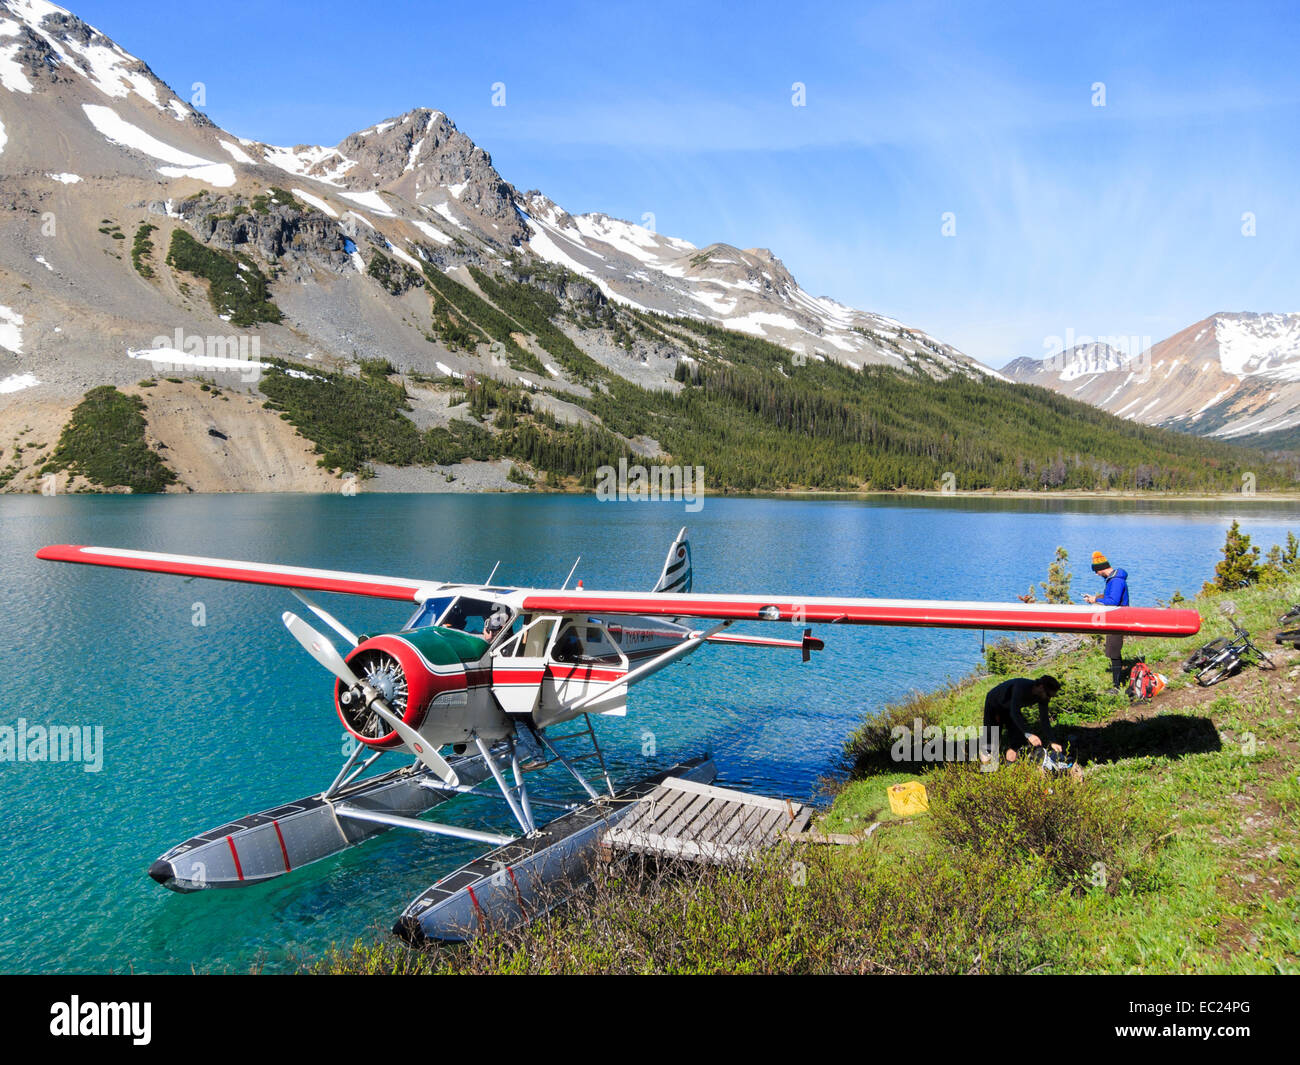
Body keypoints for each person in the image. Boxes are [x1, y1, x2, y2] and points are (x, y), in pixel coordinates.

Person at [982, 675, 1061, 763]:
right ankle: (986, 769)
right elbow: (1014, 712)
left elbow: (1044, 720)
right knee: (991, 740)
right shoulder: (1021, 686)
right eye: (1049, 695)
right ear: (1041, 687)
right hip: (994, 704)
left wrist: (1053, 741)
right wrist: (1029, 735)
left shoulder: (1043, 697)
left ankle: (1010, 766)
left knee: (1017, 740)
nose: (1049, 699)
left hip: (1010, 708)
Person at [1083, 551, 1130, 692]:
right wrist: (1096, 597)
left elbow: (1113, 601)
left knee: (1113, 651)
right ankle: (1117, 683)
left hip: (1118, 619)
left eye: (1096, 571)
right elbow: (1110, 598)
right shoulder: (1113, 579)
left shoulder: (1116, 581)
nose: (1096, 574)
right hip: (1115, 618)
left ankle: (1116, 687)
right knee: (1113, 650)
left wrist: (1095, 600)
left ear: (1102, 568)